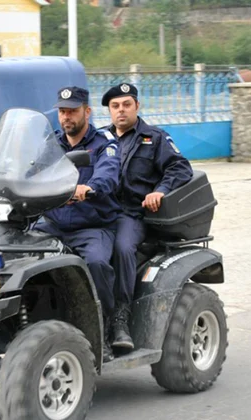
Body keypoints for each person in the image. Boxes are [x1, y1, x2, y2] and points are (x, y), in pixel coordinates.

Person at [100, 83, 194, 352]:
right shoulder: (100, 139)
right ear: (108, 110)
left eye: (126, 105)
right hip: (100, 212)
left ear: (137, 106)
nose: (121, 111)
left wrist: (160, 191)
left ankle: (120, 317)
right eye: (115, 106)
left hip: (132, 214)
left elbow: (180, 167)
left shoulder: (154, 138)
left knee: (122, 247)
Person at [34, 86, 122, 362]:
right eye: (62, 111)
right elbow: (31, 171)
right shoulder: (52, 145)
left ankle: (104, 331)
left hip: (92, 226)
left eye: (72, 111)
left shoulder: (105, 143)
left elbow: (108, 175)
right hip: (54, 224)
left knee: (96, 263)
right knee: (13, 254)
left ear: (87, 111)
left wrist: (88, 188)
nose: (66, 117)